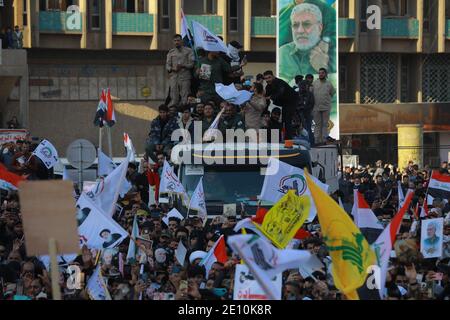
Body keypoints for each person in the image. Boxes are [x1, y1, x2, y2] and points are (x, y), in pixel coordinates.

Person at [279, 3, 336, 84]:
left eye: (307, 24)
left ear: (320, 28)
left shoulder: (332, 54)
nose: (300, 31)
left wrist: (322, 68)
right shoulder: (282, 53)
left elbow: (332, 93)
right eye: (295, 25)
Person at [264, 70, 298, 140]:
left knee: (287, 120)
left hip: (291, 101)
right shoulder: (268, 87)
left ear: (273, 76)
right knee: (282, 120)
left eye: (269, 77)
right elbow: (266, 100)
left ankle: (288, 139)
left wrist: (271, 97)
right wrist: (265, 112)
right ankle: (282, 138)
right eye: (266, 78)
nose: (268, 80)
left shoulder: (280, 82)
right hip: (283, 103)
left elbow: (280, 92)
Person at [166, 34, 195, 107]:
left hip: (185, 77)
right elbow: (167, 65)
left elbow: (191, 64)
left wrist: (183, 66)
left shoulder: (188, 51)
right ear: (173, 42)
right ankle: (173, 112)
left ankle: (184, 112)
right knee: (174, 98)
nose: (176, 42)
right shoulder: (171, 52)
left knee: (185, 98)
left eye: (178, 40)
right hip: (174, 77)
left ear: (181, 41)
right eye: (175, 41)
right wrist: (173, 69)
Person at [312, 68, 335, 145]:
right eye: (319, 73)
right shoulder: (315, 83)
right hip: (316, 107)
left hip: (326, 107)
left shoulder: (329, 83)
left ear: (325, 74)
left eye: (322, 73)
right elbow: (311, 93)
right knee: (318, 124)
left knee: (325, 124)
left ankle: (324, 139)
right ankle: (316, 140)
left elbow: (332, 93)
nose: (321, 74)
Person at [297, 80, 315, 144]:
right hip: (300, 113)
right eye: (301, 86)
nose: (302, 87)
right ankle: (303, 142)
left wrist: (307, 108)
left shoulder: (310, 94)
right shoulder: (298, 94)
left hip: (308, 112)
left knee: (308, 127)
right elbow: (296, 103)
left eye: (304, 86)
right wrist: (300, 108)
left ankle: (310, 142)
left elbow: (312, 103)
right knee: (300, 128)